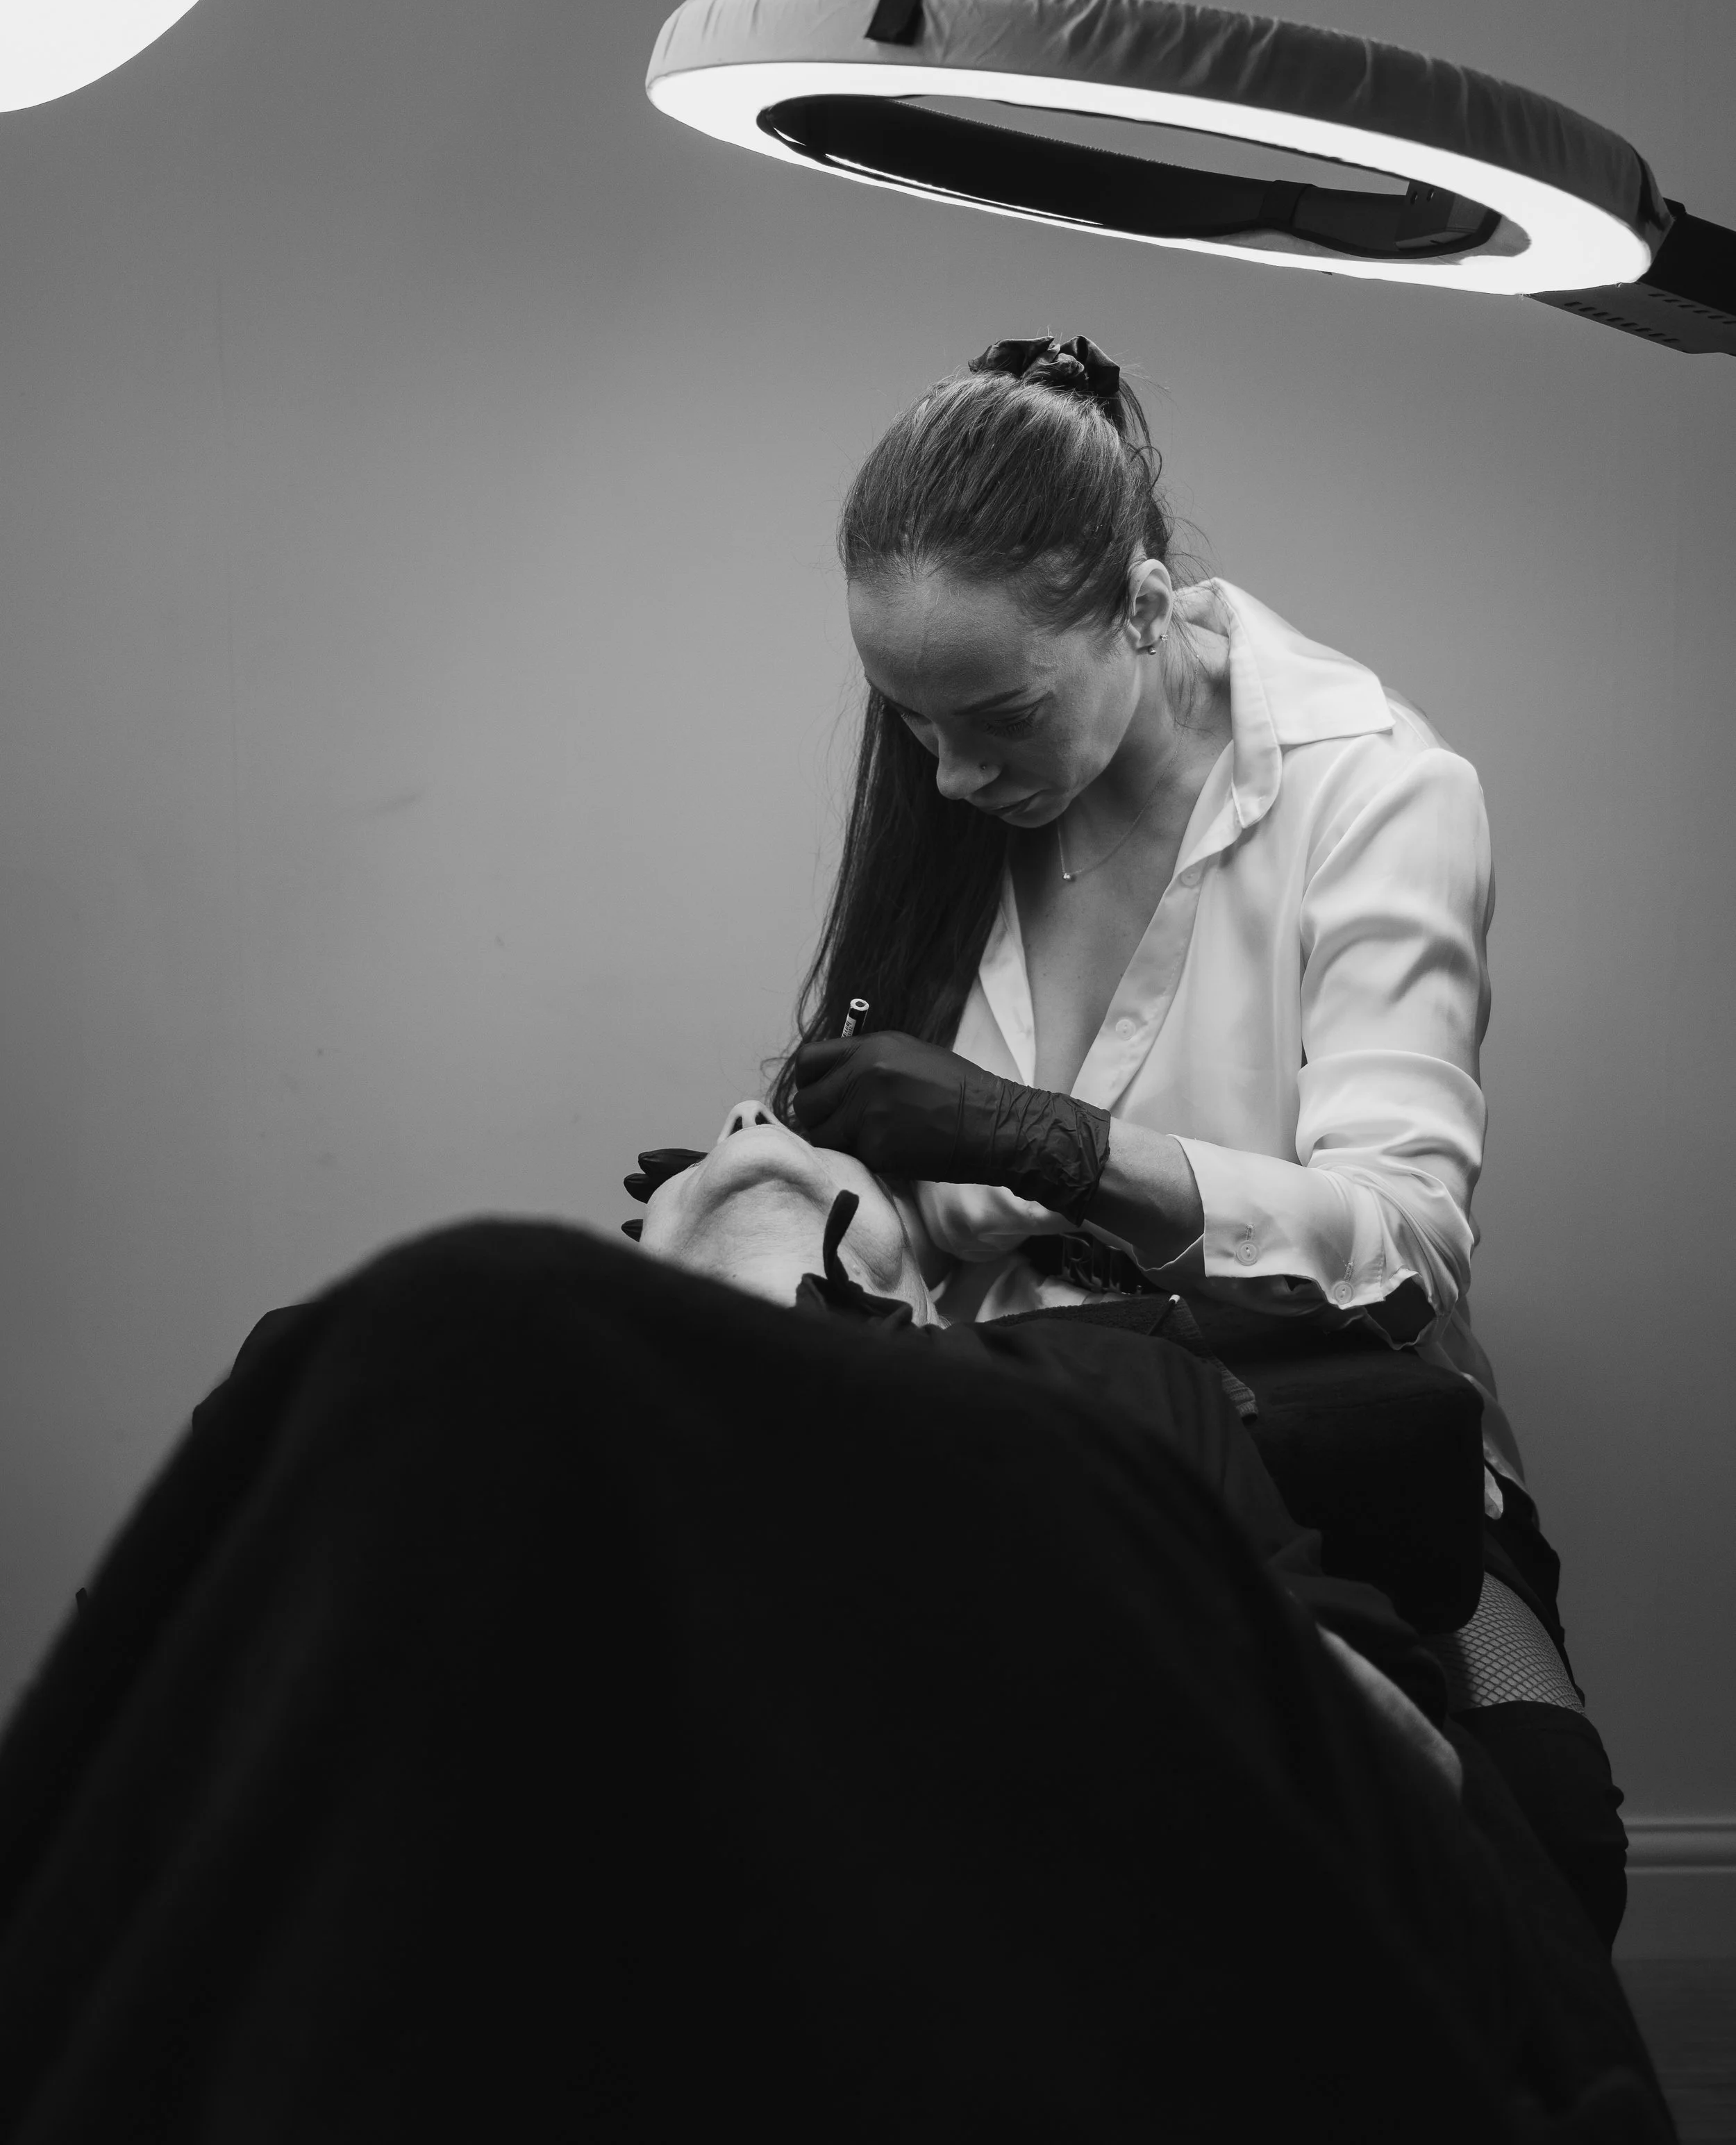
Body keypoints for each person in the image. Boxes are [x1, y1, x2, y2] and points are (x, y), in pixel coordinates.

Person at [0, 1121, 1669, 2139]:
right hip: (611, 1907)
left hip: (1143, 1835)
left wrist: (826, 1353)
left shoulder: (1115, 1375)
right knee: (417, 1348)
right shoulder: (487, 1417)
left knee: (463, 1323)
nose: (753, 1128)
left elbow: (1373, 1748)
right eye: (723, 1145)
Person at [779, 333, 1627, 1947]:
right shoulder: (960, 791)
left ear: (1143, 608)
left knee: (1538, 1839)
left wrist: (1052, 1143)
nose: (949, 775)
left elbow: (1403, 1246)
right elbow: (881, 1190)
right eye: (909, 722)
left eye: (997, 715)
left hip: (1330, 1438)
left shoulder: (1373, 796)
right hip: (1016, 1429)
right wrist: (788, 1189)